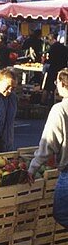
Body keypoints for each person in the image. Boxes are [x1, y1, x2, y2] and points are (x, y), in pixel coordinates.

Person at [30, 70, 68, 226]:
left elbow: (48, 143)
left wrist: (33, 167)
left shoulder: (60, 110)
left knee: (61, 213)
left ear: (62, 84)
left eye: (56, 83)